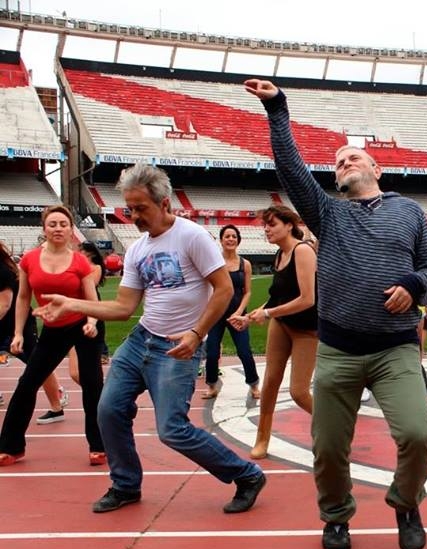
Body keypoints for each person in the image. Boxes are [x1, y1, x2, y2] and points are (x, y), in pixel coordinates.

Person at [247, 78, 427, 549]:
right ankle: (336, 517)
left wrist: (415, 287)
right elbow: (290, 168)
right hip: (338, 349)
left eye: (351, 156)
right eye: (336, 162)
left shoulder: (410, 213)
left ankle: (406, 504)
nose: (343, 162)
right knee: (328, 448)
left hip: (395, 348)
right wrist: (277, 109)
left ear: (376, 167)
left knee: (417, 433)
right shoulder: (328, 214)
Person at [35, 164, 267, 514]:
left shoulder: (192, 237)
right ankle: (126, 484)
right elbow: (124, 306)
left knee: (172, 430)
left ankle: (247, 475)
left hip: (177, 347)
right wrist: (72, 303)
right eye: (129, 208)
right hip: (141, 339)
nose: (134, 216)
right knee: (109, 411)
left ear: (164, 203)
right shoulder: (138, 249)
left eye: (141, 207)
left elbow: (223, 290)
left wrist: (197, 333)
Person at [0, 206, 105, 467]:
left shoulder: (80, 262)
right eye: (52, 224)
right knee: (27, 383)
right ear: (44, 229)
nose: (58, 228)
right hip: (54, 328)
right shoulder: (29, 260)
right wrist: (17, 334)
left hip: (83, 324)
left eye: (63, 224)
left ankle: (99, 445)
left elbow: (93, 300)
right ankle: (11, 446)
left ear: (71, 230)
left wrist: (92, 322)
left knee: (92, 385)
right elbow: (23, 298)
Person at [231, 207, 317, 459]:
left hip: (307, 330)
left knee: (298, 392)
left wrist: (268, 314)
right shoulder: (280, 254)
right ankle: (262, 438)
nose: (266, 229)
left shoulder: (303, 251)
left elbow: (307, 299)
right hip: (282, 324)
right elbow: (275, 296)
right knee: (269, 383)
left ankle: (334, 426)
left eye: (272, 224)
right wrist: (249, 316)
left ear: (289, 225)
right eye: (264, 226)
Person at [0, 240, 68, 422]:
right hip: (5, 326)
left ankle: (56, 405)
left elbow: (4, 304)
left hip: (16, 325)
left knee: (38, 365)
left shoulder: (2, 271)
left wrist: (18, 333)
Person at [202, 224, 261, 401]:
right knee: (212, 352)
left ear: (238, 240)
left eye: (234, 236)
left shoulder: (246, 264)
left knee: (244, 351)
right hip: (216, 314)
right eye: (227, 236)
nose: (230, 239)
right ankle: (212, 386)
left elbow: (247, 291)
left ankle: (254, 385)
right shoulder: (214, 262)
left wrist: (239, 312)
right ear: (221, 240)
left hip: (238, 314)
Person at [68, 241, 108, 386]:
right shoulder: (73, 267)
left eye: (80, 251)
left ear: (88, 253)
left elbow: (89, 285)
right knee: (74, 372)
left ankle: (100, 397)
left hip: (90, 315)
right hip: (73, 316)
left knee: (90, 372)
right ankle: (99, 394)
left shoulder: (95, 268)